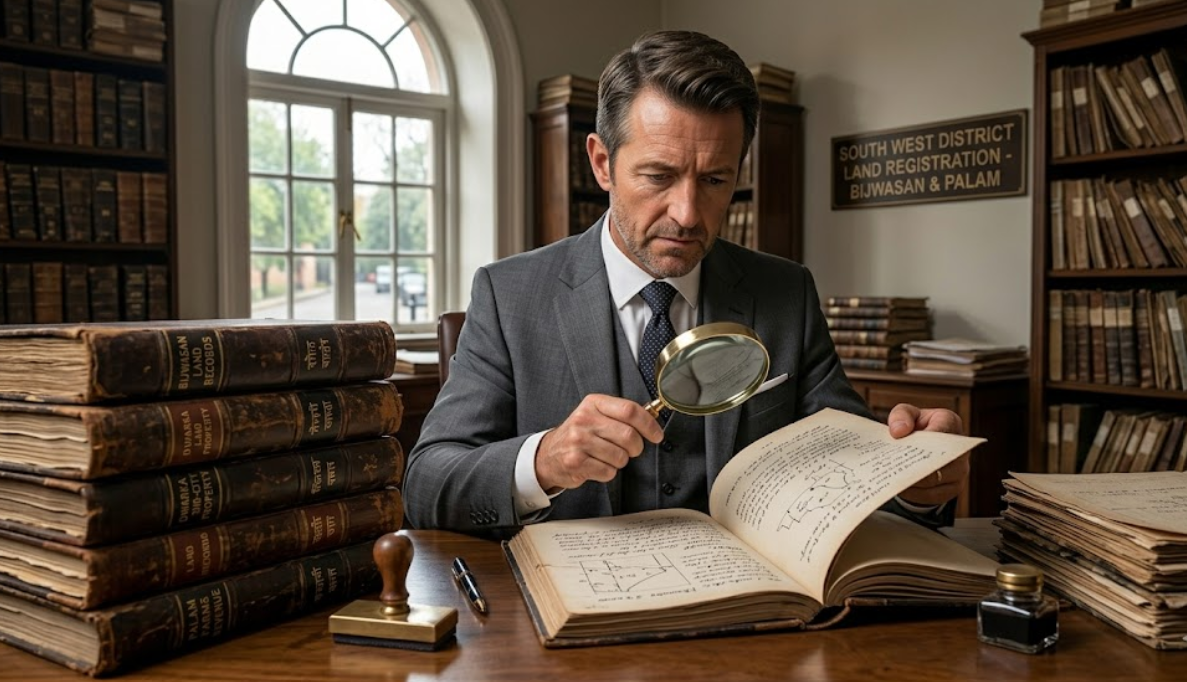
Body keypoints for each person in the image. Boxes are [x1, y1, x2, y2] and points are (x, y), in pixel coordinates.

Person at [404, 30, 968, 534]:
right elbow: (427, 484)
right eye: (658, 175)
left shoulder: (786, 293)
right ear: (602, 163)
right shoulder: (509, 295)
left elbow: (852, 470)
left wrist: (914, 476)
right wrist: (544, 460)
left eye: (715, 179)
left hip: (748, 614)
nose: (689, 213)